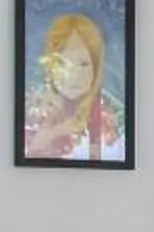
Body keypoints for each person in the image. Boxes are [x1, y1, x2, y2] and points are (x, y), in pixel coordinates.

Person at [26, 11, 124, 161]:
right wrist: (55, 132)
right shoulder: (35, 107)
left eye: (83, 64)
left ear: (96, 67)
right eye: (62, 63)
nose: (73, 75)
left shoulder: (110, 113)